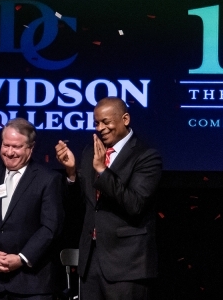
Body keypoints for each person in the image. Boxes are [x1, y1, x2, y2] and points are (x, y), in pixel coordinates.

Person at [54, 98, 162, 300]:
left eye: (106, 122)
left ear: (125, 119)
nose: (100, 128)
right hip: (91, 262)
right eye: (96, 123)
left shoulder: (146, 156)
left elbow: (135, 204)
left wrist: (102, 170)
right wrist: (71, 173)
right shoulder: (90, 153)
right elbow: (82, 204)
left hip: (127, 265)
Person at [0, 119, 64, 300]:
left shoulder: (48, 179)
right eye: (6, 145)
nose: (9, 152)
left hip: (32, 284)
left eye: (16, 147)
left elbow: (50, 227)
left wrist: (21, 258)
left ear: (30, 148)